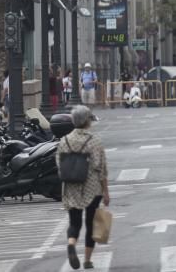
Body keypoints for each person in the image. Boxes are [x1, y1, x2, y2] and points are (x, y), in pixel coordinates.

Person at [58, 105, 110, 270]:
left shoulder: (64, 140)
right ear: (87, 121)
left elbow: (59, 164)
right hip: (92, 187)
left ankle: (71, 243)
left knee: (74, 222)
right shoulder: (94, 141)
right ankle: (87, 260)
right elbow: (102, 168)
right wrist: (106, 191)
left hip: (71, 186)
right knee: (91, 224)